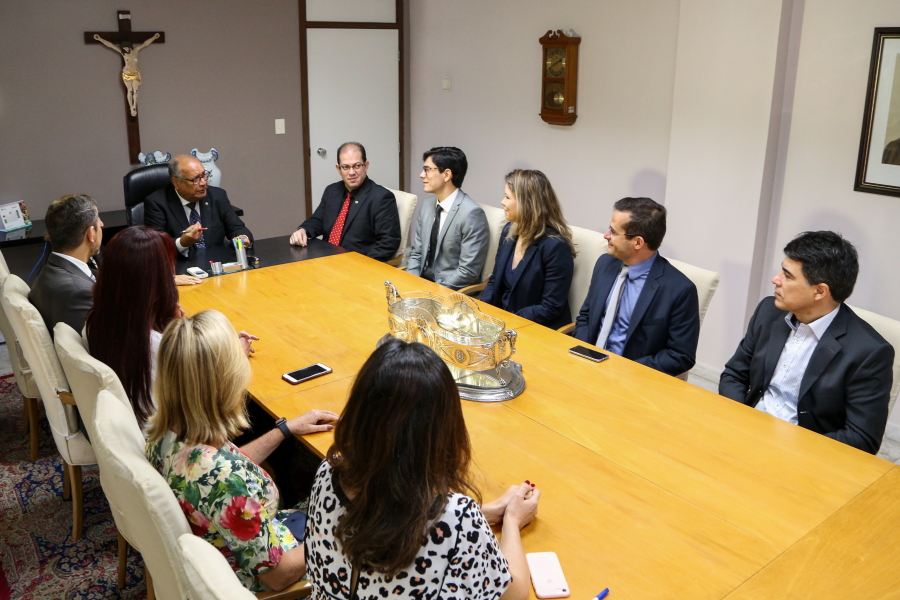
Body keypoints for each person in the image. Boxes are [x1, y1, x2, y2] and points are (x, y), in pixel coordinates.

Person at [305, 337, 540, 600]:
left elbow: (381, 515)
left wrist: (484, 514)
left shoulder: (327, 472)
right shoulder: (457, 519)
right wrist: (512, 521)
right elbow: (512, 594)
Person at [147, 310, 339, 593]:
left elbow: (223, 471)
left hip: (239, 546)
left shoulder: (167, 432)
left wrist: (284, 430)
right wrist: (339, 533)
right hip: (268, 580)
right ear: (225, 382)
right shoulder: (227, 479)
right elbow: (279, 576)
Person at [719, 231, 894, 454]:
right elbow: (734, 374)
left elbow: (862, 438)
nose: (775, 279)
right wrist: (742, 421)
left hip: (804, 454)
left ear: (819, 291)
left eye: (787, 276)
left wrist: (787, 445)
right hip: (745, 430)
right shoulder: (768, 311)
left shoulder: (868, 352)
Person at [573, 197, 699, 376]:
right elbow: (586, 316)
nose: (606, 235)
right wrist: (584, 353)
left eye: (613, 232)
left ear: (638, 242)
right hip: (585, 364)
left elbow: (680, 355)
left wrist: (624, 370)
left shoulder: (680, 290)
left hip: (631, 378)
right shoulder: (605, 264)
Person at [85, 226, 181, 430]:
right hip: (165, 436)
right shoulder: (157, 344)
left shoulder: (96, 320)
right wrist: (233, 357)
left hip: (129, 424)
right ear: (158, 280)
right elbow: (203, 393)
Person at [480, 169, 574, 329]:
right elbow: (495, 280)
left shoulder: (555, 246)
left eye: (507, 197)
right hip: (502, 322)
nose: (502, 202)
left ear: (526, 203)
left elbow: (550, 307)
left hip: (534, 328)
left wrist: (508, 321)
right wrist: (481, 312)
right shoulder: (509, 230)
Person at [290, 142, 401, 261]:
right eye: (346, 167)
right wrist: (303, 230)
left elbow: (388, 243)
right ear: (338, 169)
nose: (352, 172)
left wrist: (362, 265)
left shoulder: (382, 197)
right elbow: (319, 220)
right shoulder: (332, 191)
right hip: (327, 258)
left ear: (366, 166)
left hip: (356, 263)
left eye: (357, 166)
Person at [405, 147, 490, 289]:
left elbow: (467, 272)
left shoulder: (472, 214)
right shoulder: (427, 205)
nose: (421, 175)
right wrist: (409, 282)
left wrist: (433, 291)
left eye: (427, 169)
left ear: (446, 175)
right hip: (420, 286)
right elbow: (416, 254)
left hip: (448, 291)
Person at [145, 154, 253, 260]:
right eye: (195, 179)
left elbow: (237, 228)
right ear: (176, 182)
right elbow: (156, 247)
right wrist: (182, 243)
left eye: (204, 175)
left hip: (215, 262)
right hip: (180, 265)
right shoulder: (157, 203)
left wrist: (243, 237)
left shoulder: (217, 196)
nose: (203, 183)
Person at [29, 193, 102, 335]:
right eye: (98, 220)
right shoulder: (80, 292)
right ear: (91, 234)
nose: (102, 224)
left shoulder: (47, 273)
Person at [93, 33, 160, 117]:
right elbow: (111, 45)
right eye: (123, 48)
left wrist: (154, 37)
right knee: (130, 90)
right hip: (127, 73)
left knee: (135, 90)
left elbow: (145, 44)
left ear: (129, 47)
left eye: (125, 47)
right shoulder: (123, 52)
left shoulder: (135, 50)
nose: (124, 49)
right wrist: (100, 39)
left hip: (135, 72)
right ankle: (131, 107)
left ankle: (134, 106)